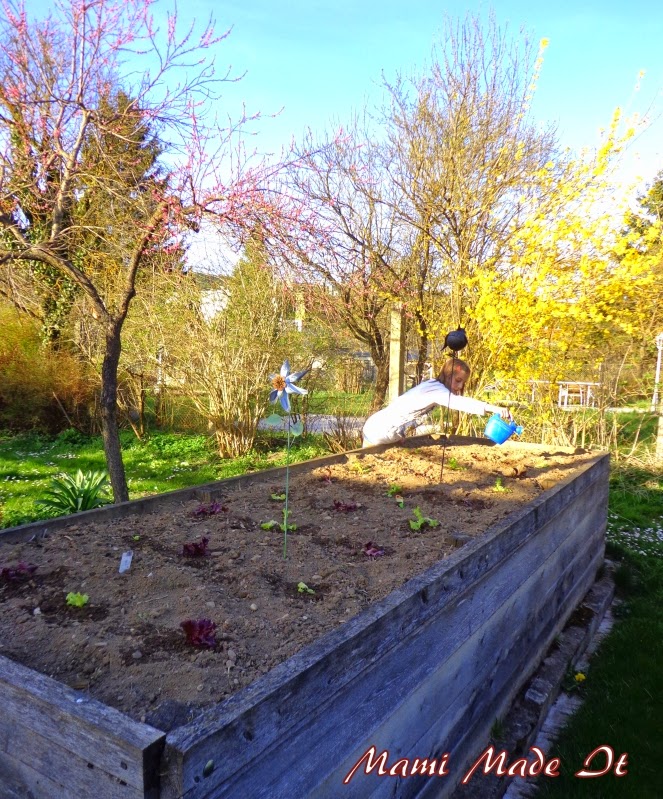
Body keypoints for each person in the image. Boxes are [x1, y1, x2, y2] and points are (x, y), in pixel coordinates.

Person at [362, 358, 510, 447]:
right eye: (458, 381)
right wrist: (492, 408)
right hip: (379, 430)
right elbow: (460, 403)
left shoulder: (432, 386)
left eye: (463, 383)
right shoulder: (436, 391)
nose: (460, 387)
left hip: (379, 427)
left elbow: (405, 408)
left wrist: (400, 435)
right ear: (447, 374)